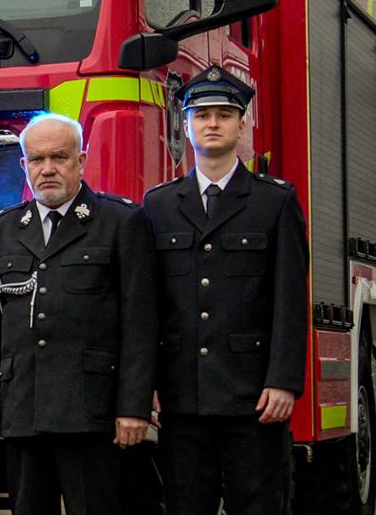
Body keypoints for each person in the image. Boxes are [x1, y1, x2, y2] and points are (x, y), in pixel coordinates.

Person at [0, 114, 156, 515]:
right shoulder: (1, 230)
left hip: (91, 411)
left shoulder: (121, 222)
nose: (48, 169)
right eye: (37, 159)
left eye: (59, 157)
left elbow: (140, 324)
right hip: (24, 408)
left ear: (81, 160)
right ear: (24, 166)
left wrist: (133, 406)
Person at [144, 66, 308, 515]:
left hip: (252, 397)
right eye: (201, 115)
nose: (212, 124)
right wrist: (146, 386)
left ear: (242, 125)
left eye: (223, 115)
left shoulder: (274, 201)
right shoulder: (158, 204)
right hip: (181, 396)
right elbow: (147, 306)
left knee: (257, 505)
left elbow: (290, 300)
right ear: (186, 127)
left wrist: (283, 381)